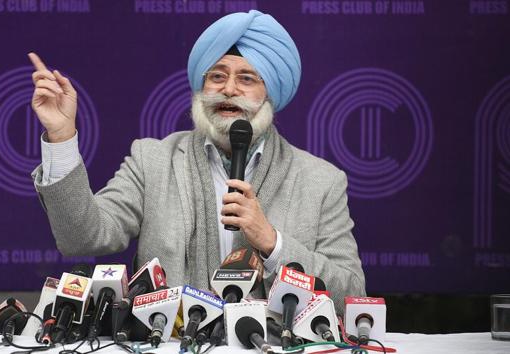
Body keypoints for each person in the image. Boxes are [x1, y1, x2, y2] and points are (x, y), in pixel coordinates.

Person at [30, 10, 365, 314]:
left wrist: (272, 242)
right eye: (217, 76)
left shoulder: (321, 181)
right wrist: (61, 137)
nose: (229, 89)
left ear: (271, 92)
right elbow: (83, 237)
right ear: (201, 86)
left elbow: (350, 293)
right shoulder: (154, 161)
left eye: (247, 79)